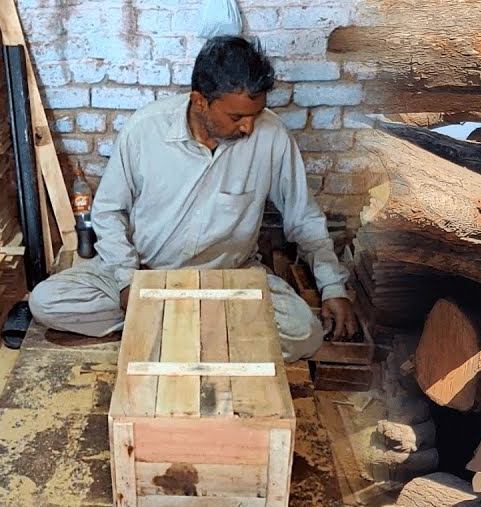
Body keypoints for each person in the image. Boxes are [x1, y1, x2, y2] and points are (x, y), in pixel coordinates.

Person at [29, 35, 358, 361]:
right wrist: (128, 282)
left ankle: (168, 329)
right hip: (148, 271)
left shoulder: (271, 136)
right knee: (46, 301)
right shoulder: (145, 130)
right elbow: (108, 212)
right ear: (200, 101)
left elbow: (304, 220)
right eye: (235, 117)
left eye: (255, 115)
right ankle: (209, 333)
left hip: (229, 279)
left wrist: (333, 288)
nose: (247, 128)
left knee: (304, 333)